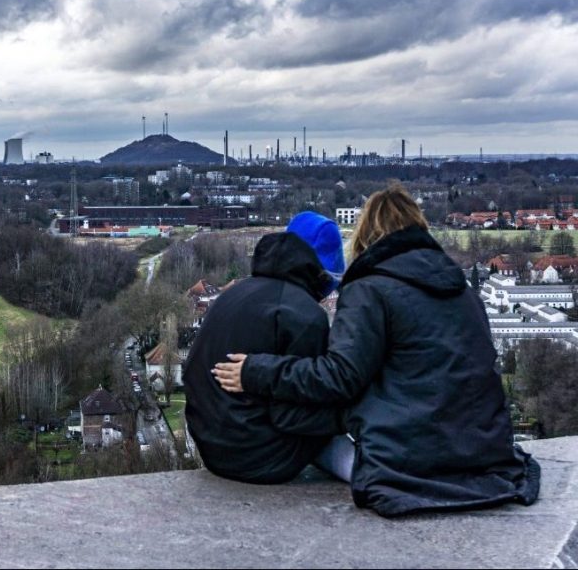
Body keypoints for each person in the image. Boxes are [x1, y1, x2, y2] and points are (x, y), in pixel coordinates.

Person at [213, 184, 540, 517]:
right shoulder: (463, 289)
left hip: (409, 462)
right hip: (483, 452)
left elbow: (339, 377)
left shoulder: (369, 289)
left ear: (366, 234)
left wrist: (257, 372)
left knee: (298, 427)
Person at [184, 211, 345, 484]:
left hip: (212, 451)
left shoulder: (233, 294)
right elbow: (293, 416)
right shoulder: (305, 316)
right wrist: (349, 417)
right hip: (264, 459)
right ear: (326, 273)